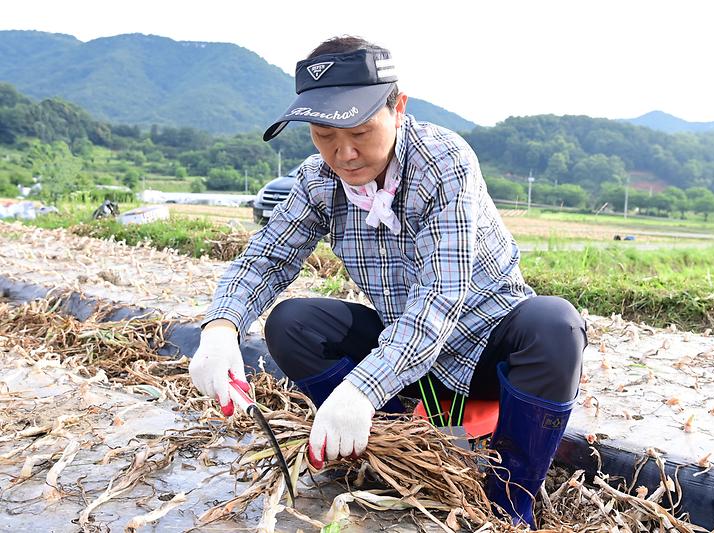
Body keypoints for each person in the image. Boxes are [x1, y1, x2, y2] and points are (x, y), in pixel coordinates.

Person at [189, 35, 585, 525]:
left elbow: (440, 297)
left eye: (359, 131)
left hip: (486, 348)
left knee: (556, 324)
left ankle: (507, 505)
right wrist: (220, 328)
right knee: (292, 322)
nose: (345, 154)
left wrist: (360, 389)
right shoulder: (319, 181)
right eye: (324, 135)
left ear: (398, 106)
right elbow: (267, 258)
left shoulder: (443, 164)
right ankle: (387, 453)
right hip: (401, 360)